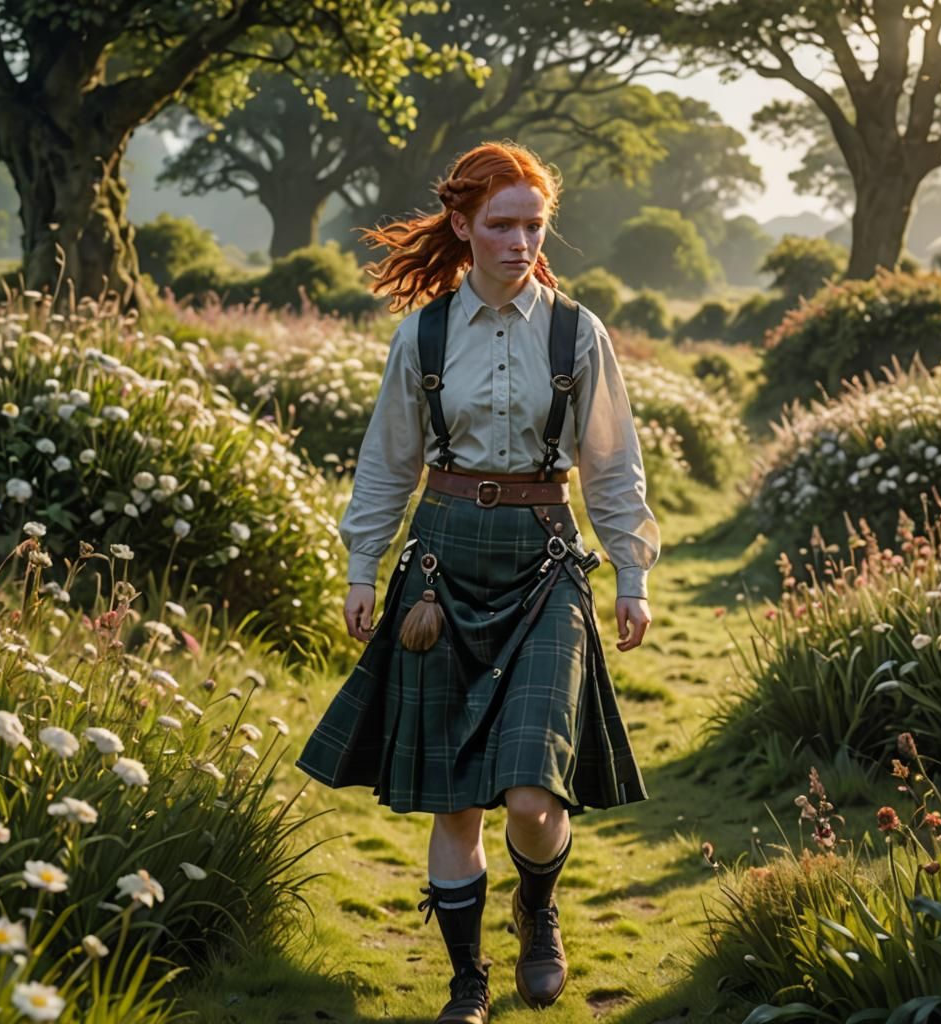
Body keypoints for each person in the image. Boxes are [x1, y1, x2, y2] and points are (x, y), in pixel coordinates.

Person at [296, 140, 660, 1024]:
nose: (521, 241)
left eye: (535, 225)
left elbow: (612, 467)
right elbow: (385, 463)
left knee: (535, 795)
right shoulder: (422, 333)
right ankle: (468, 983)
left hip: (545, 562)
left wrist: (631, 573)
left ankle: (537, 908)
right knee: (456, 803)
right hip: (439, 566)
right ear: (462, 225)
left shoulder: (579, 332)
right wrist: (361, 565)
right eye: (501, 224)